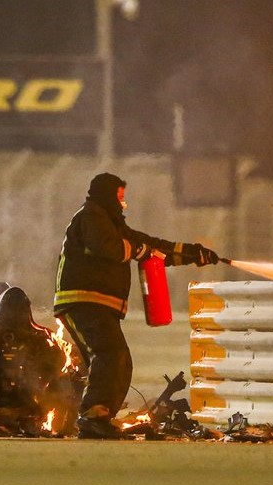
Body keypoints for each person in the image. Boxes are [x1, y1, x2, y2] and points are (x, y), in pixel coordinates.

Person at [54, 172, 219, 439]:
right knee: (108, 353)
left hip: (99, 304)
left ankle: (103, 417)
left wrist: (192, 253)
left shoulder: (110, 223)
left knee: (121, 360)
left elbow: (152, 246)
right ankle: (92, 416)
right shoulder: (91, 216)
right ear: (107, 196)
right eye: (120, 198)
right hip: (81, 301)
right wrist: (139, 250)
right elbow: (107, 247)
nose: (123, 204)